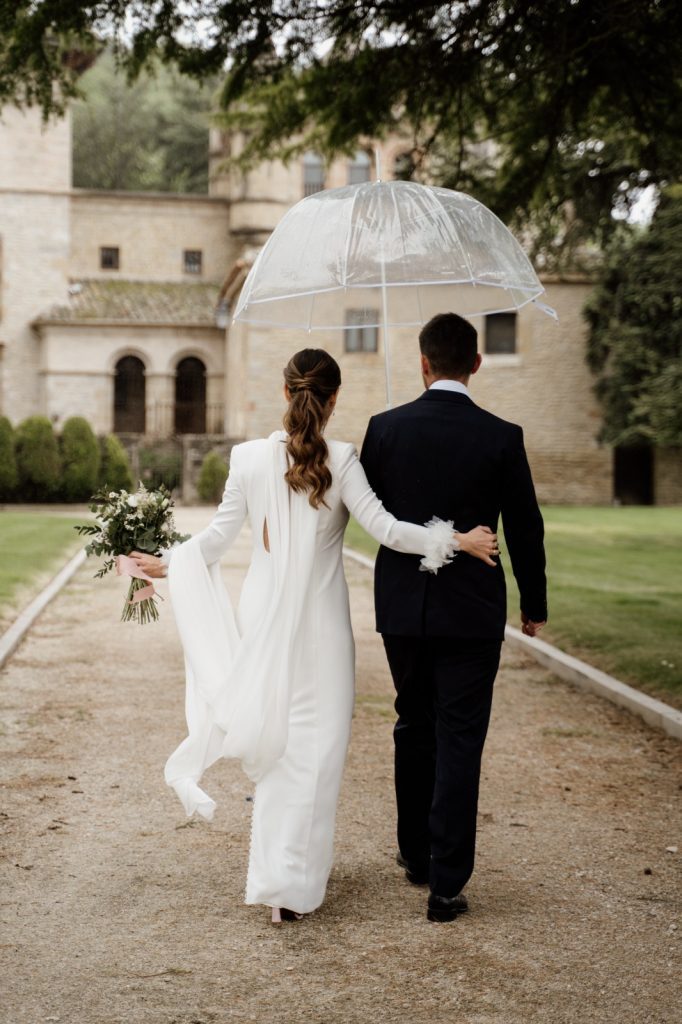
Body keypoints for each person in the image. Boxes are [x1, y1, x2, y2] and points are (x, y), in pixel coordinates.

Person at [130, 348, 498, 925]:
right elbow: (388, 531)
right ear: (333, 399)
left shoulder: (247, 457)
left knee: (277, 749)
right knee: (317, 756)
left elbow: (217, 540)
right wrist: (458, 541)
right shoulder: (345, 458)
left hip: (264, 619)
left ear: (285, 393)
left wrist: (166, 562)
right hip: (323, 628)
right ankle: (295, 885)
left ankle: (280, 888)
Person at [360, 313, 547, 923]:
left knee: (413, 724)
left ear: (422, 362)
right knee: (460, 735)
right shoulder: (502, 435)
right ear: (475, 363)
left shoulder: (383, 430)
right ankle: (445, 882)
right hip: (471, 611)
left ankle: (414, 853)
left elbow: (379, 523)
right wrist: (534, 603)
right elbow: (524, 526)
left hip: (403, 611)